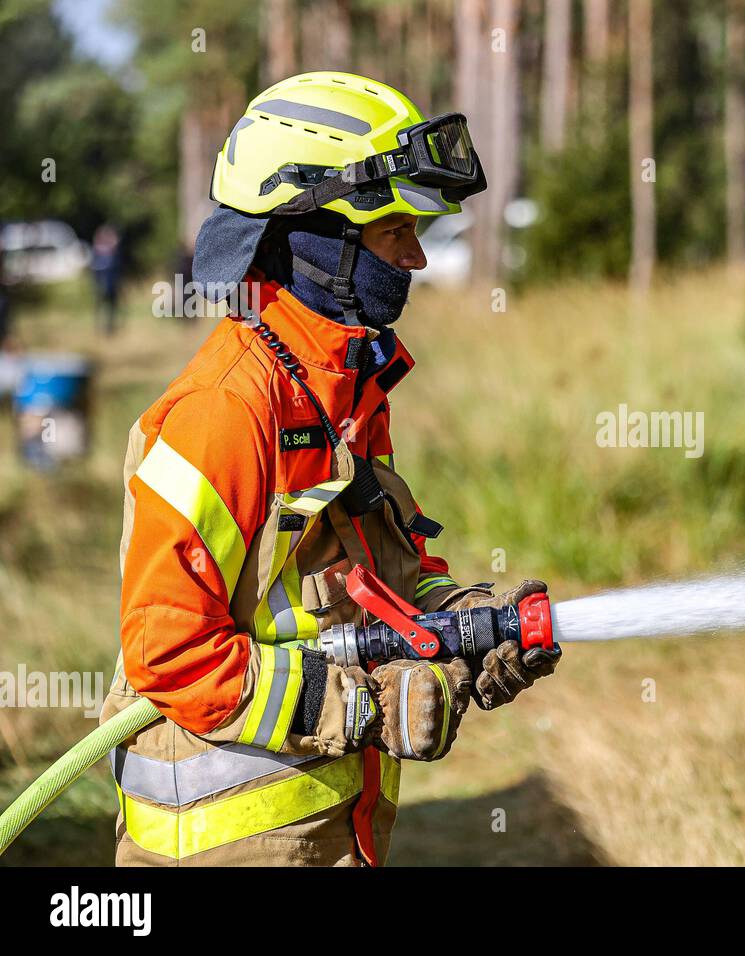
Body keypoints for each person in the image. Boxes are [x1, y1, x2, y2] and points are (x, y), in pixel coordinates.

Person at [99, 71, 560, 867]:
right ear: (315, 241)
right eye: (394, 234)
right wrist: (359, 708)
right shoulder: (226, 411)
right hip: (226, 846)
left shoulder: (340, 391)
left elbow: (365, 581)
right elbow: (169, 653)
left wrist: (463, 618)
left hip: (328, 833)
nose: (416, 257)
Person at [90, 224, 123, 335]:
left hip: (111, 286)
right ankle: (100, 328)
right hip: (102, 286)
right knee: (101, 307)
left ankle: (109, 328)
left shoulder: (113, 254)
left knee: (110, 309)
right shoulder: (101, 254)